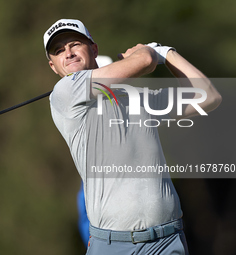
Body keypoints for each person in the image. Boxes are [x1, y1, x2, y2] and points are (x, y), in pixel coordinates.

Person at [43, 19, 221, 255]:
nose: (68, 53)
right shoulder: (64, 93)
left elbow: (208, 96)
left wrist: (166, 53)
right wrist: (149, 52)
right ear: (53, 66)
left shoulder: (138, 99)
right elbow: (144, 61)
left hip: (168, 242)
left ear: (94, 49)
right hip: (114, 246)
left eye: (75, 44)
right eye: (58, 51)